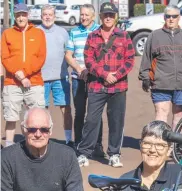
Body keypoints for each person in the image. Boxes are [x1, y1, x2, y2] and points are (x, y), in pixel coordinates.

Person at [77, 2, 135, 168]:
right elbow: (88, 60)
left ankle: (114, 154)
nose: (108, 18)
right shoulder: (93, 36)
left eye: (111, 15)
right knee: (91, 120)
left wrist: (116, 76)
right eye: (105, 15)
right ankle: (84, 153)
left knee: (116, 121)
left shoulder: (124, 36)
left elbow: (130, 60)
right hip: (97, 85)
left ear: (115, 17)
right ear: (100, 17)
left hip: (118, 86)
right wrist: (104, 74)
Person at [139, 4, 182, 130]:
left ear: (179, 17)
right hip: (161, 83)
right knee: (161, 114)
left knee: (179, 116)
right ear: (164, 17)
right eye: (168, 16)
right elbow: (146, 58)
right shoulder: (155, 36)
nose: (171, 19)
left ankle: (175, 147)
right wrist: (145, 77)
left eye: (174, 16)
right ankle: (161, 145)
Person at [1, 3, 46, 147]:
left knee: (36, 118)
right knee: (11, 117)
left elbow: (41, 57)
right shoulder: (7, 33)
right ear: (15, 16)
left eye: (23, 14)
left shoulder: (38, 33)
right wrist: (19, 76)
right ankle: (8, 148)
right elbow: (5, 57)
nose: (21, 18)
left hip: (34, 82)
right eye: (18, 15)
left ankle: (34, 147)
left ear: (28, 15)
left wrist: (25, 74)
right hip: (12, 82)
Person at [65, 4, 104, 155]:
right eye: (82, 14)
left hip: (96, 79)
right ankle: (79, 144)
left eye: (87, 15)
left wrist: (93, 71)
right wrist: (79, 69)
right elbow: (68, 55)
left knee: (95, 113)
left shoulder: (100, 31)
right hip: (78, 78)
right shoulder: (74, 32)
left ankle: (97, 145)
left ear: (93, 16)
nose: (84, 17)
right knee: (79, 113)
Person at [38, 5, 73, 147]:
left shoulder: (63, 32)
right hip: (40, 78)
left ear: (54, 16)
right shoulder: (35, 31)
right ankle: (44, 140)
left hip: (60, 77)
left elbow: (69, 53)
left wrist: (66, 68)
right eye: (45, 14)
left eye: (50, 14)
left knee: (66, 108)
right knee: (42, 111)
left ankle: (68, 140)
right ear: (41, 16)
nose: (47, 17)